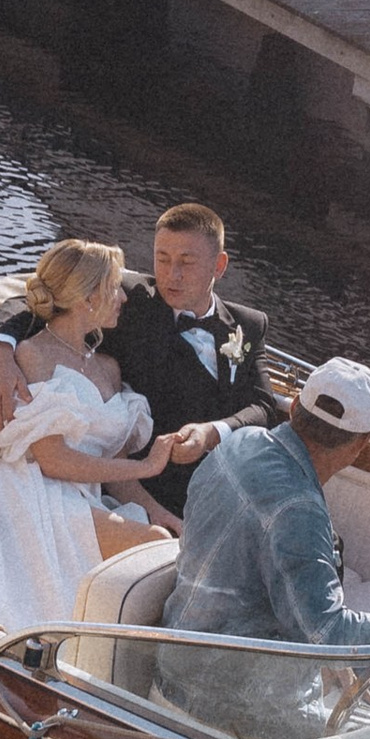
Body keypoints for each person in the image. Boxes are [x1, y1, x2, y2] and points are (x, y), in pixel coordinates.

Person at [155, 356, 370, 739]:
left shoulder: (240, 444)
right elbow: (327, 634)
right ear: (362, 444)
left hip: (176, 666)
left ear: (295, 406)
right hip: (229, 711)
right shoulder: (299, 511)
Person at [0, 243, 190, 629]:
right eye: (114, 287)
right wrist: (148, 466)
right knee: (151, 545)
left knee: (163, 538)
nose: (124, 297)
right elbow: (54, 459)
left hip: (80, 495)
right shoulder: (32, 355)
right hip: (32, 493)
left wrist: (159, 510)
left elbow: (111, 465)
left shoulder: (108, 368)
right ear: (86, 298)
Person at [108, 201, 283, 518]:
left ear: (219, 266)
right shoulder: (129, 301)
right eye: (162, 259)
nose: (171, 275)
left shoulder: (249, 324)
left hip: (223, 484)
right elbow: (37, 299)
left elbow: (262, 405)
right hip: (144, 486)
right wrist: (1, 349)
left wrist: (211, 434)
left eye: (186, 263)